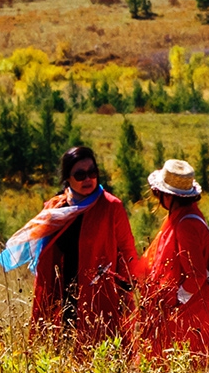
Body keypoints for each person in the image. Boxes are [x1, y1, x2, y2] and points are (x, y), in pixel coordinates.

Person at [22, 145, 136, 352]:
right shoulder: (54, 208)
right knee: (58, 352)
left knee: (100, 353)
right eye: (80, 174)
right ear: (67, 178)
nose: (88, 179)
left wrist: (127, 293)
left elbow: (127, 252)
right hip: (61, 292)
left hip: (98, 294)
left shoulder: (111, 206)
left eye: (92, 173)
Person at [129, 158, 209, 365]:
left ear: (167, 196)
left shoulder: (185, 224)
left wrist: (173, 302)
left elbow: (196, 275)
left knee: (176, 370)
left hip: (188, 314)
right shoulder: (187, 216)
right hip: (189, 310)